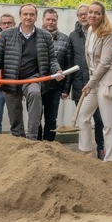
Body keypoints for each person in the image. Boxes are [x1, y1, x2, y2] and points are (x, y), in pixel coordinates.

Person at [0, 3, 63, 140]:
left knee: (35, 94)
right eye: (25, 14)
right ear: (20, 16)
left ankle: (32, 138)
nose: (28, 17)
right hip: (11, 79)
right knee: (15, 117)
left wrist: (57, 70)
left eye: (31, 14)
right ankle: (19, 141)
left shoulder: (45, 36)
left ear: (36, 17)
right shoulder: (5, 35)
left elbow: (52, 58)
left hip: (33, 78)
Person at [76, 1, 112, 161]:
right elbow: (92, 62)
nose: (92, 15)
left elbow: (104, 63)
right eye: (90, 12)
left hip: (108, 82)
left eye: (97, 13)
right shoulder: (90, 30)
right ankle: (86, 153)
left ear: (103, 16)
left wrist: (90, 83)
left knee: (108, 124)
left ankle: (111, 160)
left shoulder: (107, 35)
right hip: (95, 80)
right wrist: (92, 81)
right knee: (83, 115)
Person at [68, 4, 106, 159]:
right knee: (84, 118)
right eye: (80, 15)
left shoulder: (100, 32)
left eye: (86, 13)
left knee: (100, 119)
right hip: (80, 84)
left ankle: (102, 148)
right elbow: (71, 62)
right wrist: (67, 87)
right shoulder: (73, 36)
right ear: (77, 17)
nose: (84, 16)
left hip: (97, 82)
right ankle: (85, 152)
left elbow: (104, 61)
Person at [39, 8, 71, 141]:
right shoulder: (35, 36)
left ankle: (49, 145)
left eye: (53, 20)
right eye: (48, 19)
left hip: (55, 87)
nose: (51, 22)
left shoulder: (65, 39)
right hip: (37, 85)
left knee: (51, 119)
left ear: (57, 21)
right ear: (43, 20)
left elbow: (68, 65)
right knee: (35, 118)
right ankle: (36, 144)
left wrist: (65, 88)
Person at [0, 13, 16, 134]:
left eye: (9, 23)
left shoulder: (19, 39)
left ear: (14, 24)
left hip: (14, 83)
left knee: (15, 114)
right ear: (0, 24)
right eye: (4, 23)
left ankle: (16, 138)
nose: (6, 25)